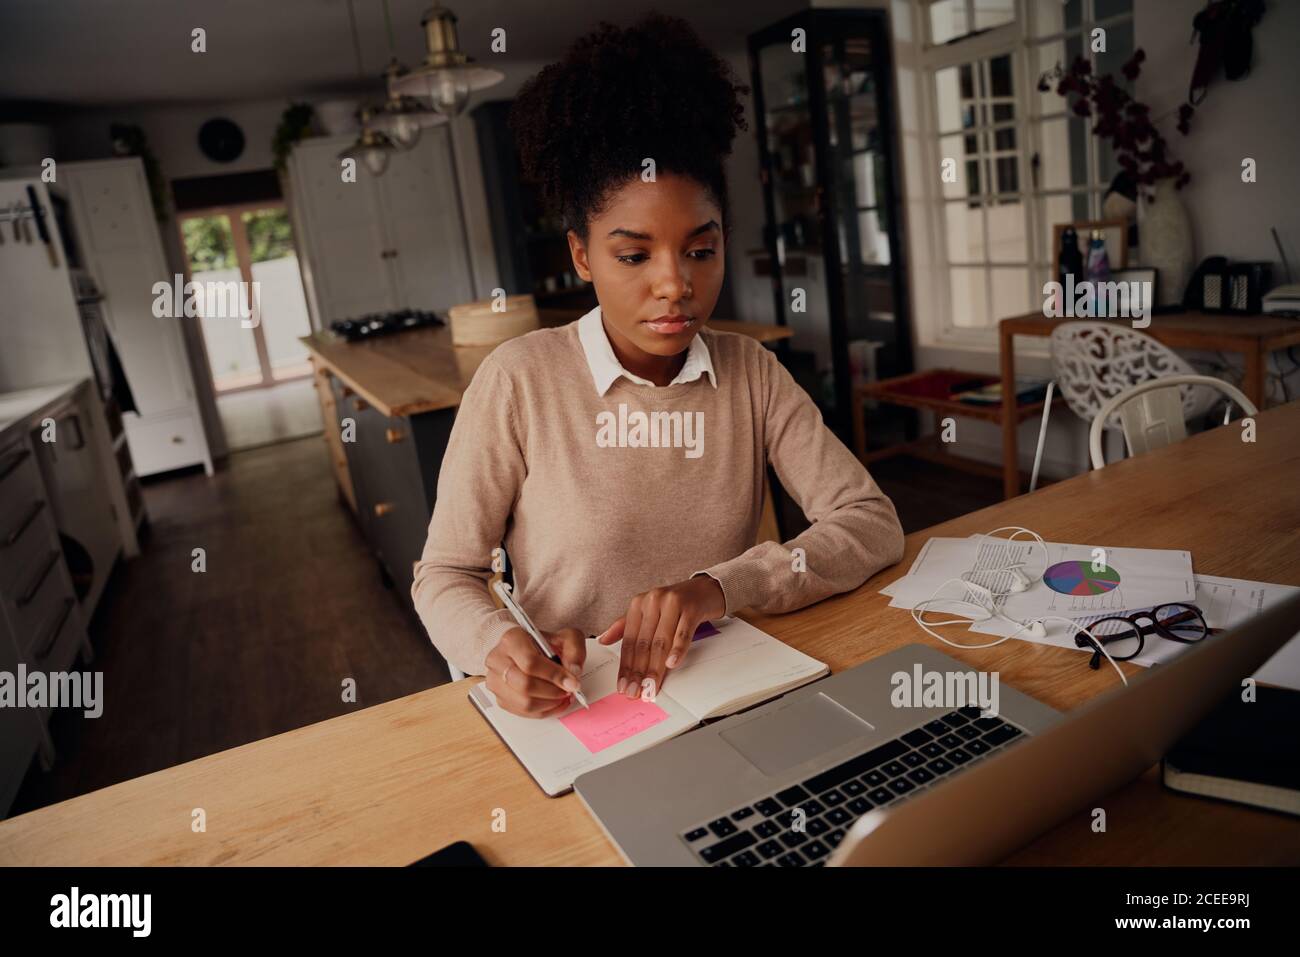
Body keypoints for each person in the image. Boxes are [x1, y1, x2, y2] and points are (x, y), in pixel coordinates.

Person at [412, 13, 904, 718]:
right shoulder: (518, 381)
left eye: (700, 251)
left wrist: (718, 587)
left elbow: (870, 522)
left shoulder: (753, 373)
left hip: (732, 689)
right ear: (583, 255)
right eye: (634, 255)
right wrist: (495, 646)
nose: (675, 284)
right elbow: (446, 575)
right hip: (583, 709)